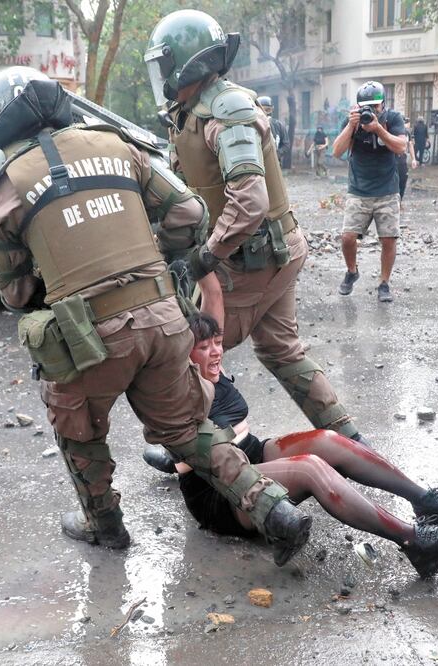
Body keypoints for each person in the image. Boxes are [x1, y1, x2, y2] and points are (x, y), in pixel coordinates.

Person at [0, 66, 311, 559]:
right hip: (164, 318)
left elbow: (16, 293)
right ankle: (274, 509)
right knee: (190, 431)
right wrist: (159, 260)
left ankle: (106, 526)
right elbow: (190, 214)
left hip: (87, 337)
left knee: (80, 432)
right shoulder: (117, 145)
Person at [143, 11, 373, 466]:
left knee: (188, 347)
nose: (162, 77)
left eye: (164, 65)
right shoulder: (194, 111)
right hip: (273, 253)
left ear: (183, 64)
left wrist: (203, 259)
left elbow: (249, 202)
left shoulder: (225, 110)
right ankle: (355, 447)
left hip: (253, 259)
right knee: (281, 350)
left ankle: (198, 450)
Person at [174, 313, 438, 577]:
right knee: (309, 467)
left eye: (217, 342)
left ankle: (424, 500)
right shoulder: (174, 395)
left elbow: (211, 290)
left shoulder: (215, 367)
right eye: (203, 347)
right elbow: (193, 457)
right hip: (221, 492)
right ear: (183, 354)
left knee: (327, 440)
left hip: (251, 453)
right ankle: (414, 542)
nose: (215, 352)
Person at [332, 81, 407, 303]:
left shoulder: (393, 119)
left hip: (387, 189)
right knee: (347, 238)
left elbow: (401, 147)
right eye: (366, 106)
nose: (370, 111)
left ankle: (384, 283)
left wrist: (378, 129)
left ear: (383, 104)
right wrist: (350, 126)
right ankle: (352, 271)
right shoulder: (352, 122)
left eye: (375, 106)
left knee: (388, 239)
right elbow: (336, 151)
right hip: (359, 189)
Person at [257, 95, 290, 165]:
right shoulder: (253, 125)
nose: (265, 113)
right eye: (262, 110)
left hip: (274, 163)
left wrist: (276, 154)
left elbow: (286, 145)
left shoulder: (278, 125)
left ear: (272, 110)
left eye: (267, 110)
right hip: (258, 163)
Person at [396, 117, 418, 206]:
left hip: (402, 159)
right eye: (406, 123)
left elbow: (410, 145)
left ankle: (399, 200)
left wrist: (413, 159)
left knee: (403, 179)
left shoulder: (407, 132)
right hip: (393, 158)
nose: (407, 125)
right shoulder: (394, 130)